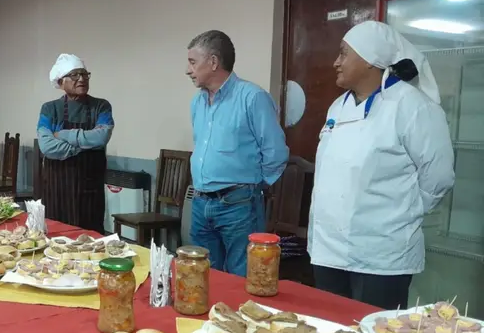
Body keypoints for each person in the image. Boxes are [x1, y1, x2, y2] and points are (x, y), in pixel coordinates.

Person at [308, 21, 455, 309]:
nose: (336, 62)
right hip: (328, 251)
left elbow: (439, 176)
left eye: (344, 53)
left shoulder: (413, 107)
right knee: (329, 329)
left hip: (382, 257)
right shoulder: (338, 107)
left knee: (375, 331)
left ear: (370, 59)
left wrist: (403, 212)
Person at [186, 30, 289, 277]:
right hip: (200, 202)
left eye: (192, 62)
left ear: (213, 62)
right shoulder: (197, 102)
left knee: (241, 277)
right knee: (202, 277)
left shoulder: (252, 97)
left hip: (238, 204)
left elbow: (275, 151)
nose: (188, 70)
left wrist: (253, 185)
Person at [37, 54, 114, 233]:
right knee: (57, 237)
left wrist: (64, 134)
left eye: (84, 74)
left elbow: (101, 137)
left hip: (90, 190)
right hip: (57, 189)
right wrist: (86, 145)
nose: (81, 79)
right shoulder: (49, 109)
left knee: (91, 237)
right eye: (74, 75)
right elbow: (47, 147)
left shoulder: (101, 107)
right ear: (61, 81)